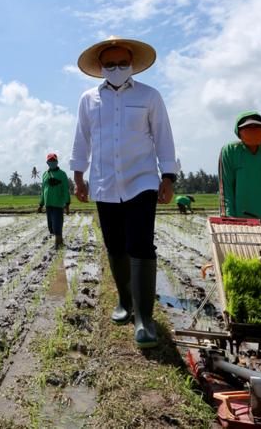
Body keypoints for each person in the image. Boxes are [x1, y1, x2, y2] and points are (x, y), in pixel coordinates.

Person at [70, 36, 177, 349]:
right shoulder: (89, 100)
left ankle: (144, 318)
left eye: (122, 63)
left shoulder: (150, 96)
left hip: (142, 179)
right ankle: (124, 301)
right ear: (101, 67)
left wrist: (167, 176)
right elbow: (82, 139)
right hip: (104, 182)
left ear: (132, 65)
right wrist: (78, 176)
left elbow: (163, 137)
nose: (116, 68)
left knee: (141, 245)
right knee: (115, 245)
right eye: (110, 64)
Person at [37, 153, 70, 248]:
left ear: (57, 162)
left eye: (53, 161)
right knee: (51, 227)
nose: (52, 162)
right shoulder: (45, 175)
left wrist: (67, 204)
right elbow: (43, 191)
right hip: (48, 204)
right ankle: (60, 242)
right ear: (47, 163)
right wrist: (41, 204)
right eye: (50, 161)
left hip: (58, 204)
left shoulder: (62, 174)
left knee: (57, 225)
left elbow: (65, 190)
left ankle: (58, 245)